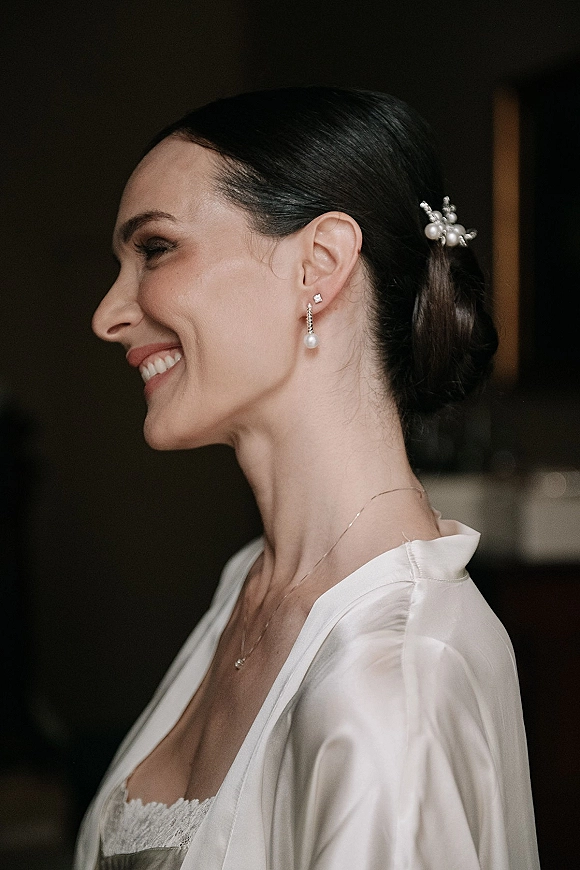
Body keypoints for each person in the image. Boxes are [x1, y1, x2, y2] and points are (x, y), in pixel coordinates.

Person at [75, 87, 539, 869]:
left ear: (318, 265)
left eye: (154, 249)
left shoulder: (392, 677)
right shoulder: (247, 586)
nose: (108, 313)